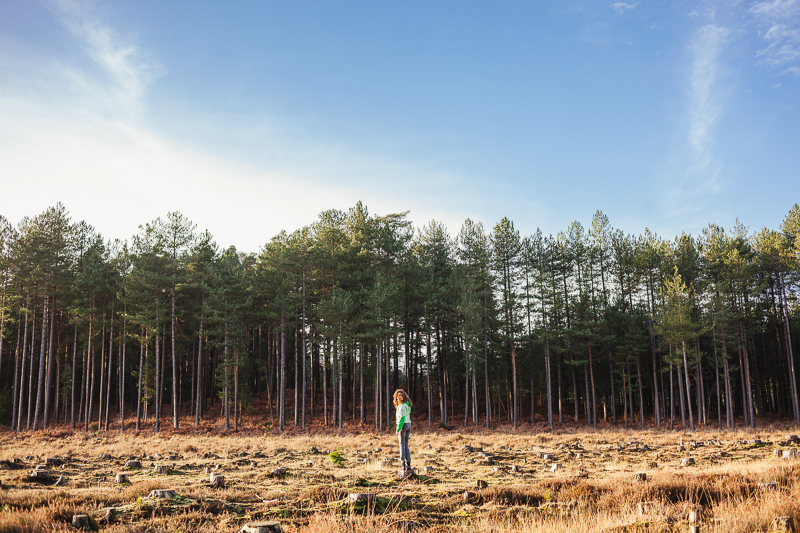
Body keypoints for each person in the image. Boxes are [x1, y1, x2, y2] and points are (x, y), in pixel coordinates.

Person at [394, 389, 412, 474]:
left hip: (404, 425)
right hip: (409, 424)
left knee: (401, 445)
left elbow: (402, 418)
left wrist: (398, 429)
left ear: (403, 396)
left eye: (400, 395)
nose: (398, 397)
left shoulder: (401, 406)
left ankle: (402, 464)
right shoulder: (407, 405)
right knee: (406, 445)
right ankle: (408, 464)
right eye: (397, 396)